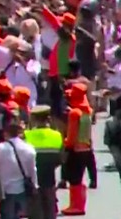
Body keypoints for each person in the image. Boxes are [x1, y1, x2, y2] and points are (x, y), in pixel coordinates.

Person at [24, 105, 63, 219]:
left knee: (35, 210)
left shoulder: (27, 135)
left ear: (33, 119)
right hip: (50, 177)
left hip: (32, 179)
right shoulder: (57, 135)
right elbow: (60, 158)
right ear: (49, 118)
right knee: (50, 208)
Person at [61, 83, 92, 215]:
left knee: (74, 179)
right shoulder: (88, 111)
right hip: (86, 148)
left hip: (75, 149)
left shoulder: (74, 113)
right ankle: (80, 204)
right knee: (79, 178)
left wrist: (65, 144)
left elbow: (72, 134)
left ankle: (75, 205)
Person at [0, 120, 37, 219]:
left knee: (7, 215)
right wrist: (35, 185)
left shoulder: (0, 148)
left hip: (6, 189)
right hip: (23, 188)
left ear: (6, 133)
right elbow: (33, 170)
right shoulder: (29, 148)